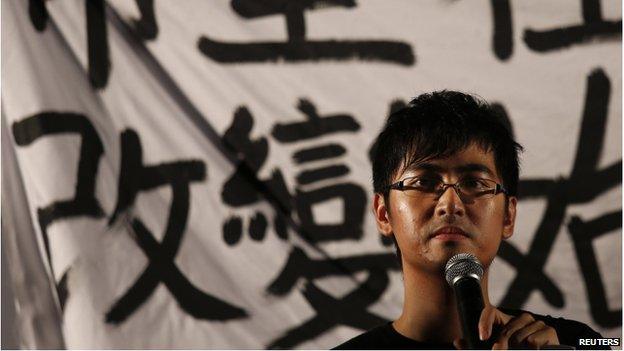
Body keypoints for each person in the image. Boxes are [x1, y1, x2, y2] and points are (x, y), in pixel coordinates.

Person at [335, 91, 605, 349]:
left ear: (508, 216)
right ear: (384, 214)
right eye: (424, 182)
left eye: (475, 183)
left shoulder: (572, 342)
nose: (450, 204)